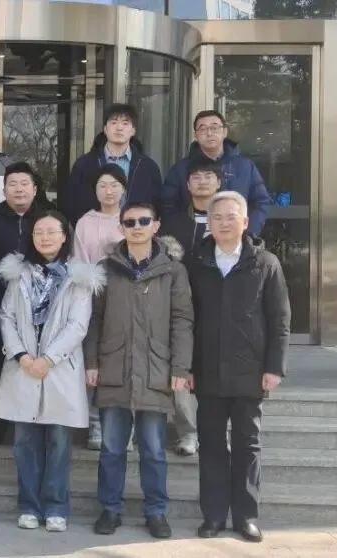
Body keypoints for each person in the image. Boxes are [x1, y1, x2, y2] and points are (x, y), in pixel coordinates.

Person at [83, 203, 194, 539]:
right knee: (112, 449)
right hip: (114, 366)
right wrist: (91, 362)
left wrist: (181, 366)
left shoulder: (173, 271)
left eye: (144, 221)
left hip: (155, 368)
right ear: (121, 227)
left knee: (154, 450)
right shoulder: (106, 269)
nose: (136, 226)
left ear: (156, 226)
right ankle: (110, 509)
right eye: (129, 222)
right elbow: (94, 319)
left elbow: (182, 320)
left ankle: (156, 512)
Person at [187, 191, 290, 543]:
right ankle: (213, 516)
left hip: (250, 369)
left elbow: (280, 319)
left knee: (248, 444)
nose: (224, 223)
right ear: (209, 223)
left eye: (231, 217)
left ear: (245, 222)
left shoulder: (266, 263)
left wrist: (274, 366)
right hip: (207, 369)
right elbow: (186, 319)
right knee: (211, 445)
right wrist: (186, 366)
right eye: (217, 217)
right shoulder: (196, 262)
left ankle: (246, 516)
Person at [0, 210, 104, 533]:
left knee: (59, 443)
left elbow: (78, 325)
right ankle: (29, 506)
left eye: (52, 231)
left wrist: (48, 359)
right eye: (39, 232)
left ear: (64, 236)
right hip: (23, 366)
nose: (45, 238)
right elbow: (6, 316)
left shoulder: (79, 277)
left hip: (60, 368)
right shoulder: (19, 273)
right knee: (24, 443)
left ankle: (56, 507)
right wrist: (22, 355)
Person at [0, 162, 53, 448]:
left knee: (34, 363)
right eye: (13, 184)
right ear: (4, 189)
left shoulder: (48, 218)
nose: (19, 190)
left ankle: (33, 427)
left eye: (24, 184)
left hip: (40, 305)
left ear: (35, 188)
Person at [158, 155, 224, 457]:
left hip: (218, 308)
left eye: (208, 176)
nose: (202, 181)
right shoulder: (173, 222)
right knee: (181, 368)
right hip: (179, 307)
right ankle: (188, 432)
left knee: (213, 373)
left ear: (219, 182)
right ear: (187, 184)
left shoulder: (226, 221)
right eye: (196, 177)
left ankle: (215, 432)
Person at [72, 164, 127, 450]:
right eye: (103, 185)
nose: (108, 191)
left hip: (126, 297)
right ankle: (93, 421)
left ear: (123, 189)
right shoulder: (85, 222)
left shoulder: (132, 219)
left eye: (114, 185)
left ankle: (121, 423)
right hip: (93, 295)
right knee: (92, 358)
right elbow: (79, 260)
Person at [161, 110, 273, 235]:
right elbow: (168, 206)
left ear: (225, 132)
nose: (209, 133)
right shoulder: (181, 169)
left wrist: (247, 234)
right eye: (203, 129)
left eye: (214, 128)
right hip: (193, 239)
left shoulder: (245, 167)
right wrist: (187, 234)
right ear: (195, 135)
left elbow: (261, 202)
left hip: (237, 238)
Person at [58, 103, 163, 227]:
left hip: (135, 231)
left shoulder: (148, 167)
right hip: (94, 231)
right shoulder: (85, 164)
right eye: (113, 122)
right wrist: (86, 227)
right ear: (105, 129)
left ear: (133, 130)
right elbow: (70, 203)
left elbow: (156, 205)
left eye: (125, 123)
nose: (119, 128)